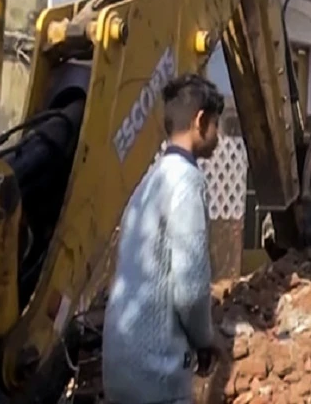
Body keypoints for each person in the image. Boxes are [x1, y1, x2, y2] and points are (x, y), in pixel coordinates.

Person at [102, 74, 225, 404]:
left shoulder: (150, 180)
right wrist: (205, 339)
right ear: (201, 121)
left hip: (118, 364)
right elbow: (190, 287)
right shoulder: (186, 182)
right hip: (156, 373)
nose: (219, 135)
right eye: (217, 124)